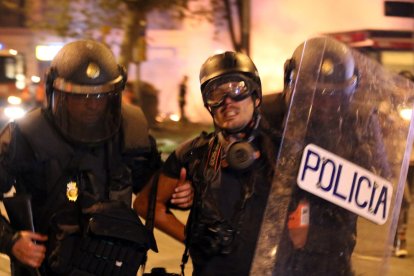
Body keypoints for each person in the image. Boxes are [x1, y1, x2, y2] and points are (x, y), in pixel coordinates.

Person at [0, 39, 190, 276]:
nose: (91, 105)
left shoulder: (131, 131)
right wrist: (11, 241)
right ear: (56, 92)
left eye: (100, 96)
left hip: (111, 266)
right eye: (80, 96)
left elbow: (151, 190)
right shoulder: (25, 135)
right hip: (46, 269)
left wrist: (179, 194)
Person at [135, 51, 281, 275]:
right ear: (208, 105)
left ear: (256, 96)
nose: (228, 102)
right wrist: (192, 238)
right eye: (216, 94)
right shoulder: (193, 153)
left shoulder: (286, 151)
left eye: (236, 89)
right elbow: (145, 204)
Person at [270, 37, 392, 276]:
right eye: (314, 93)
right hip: (273, 249)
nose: (325, 103)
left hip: (332, 249)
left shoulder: (359, 122)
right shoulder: (268, 114)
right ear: (293, 85)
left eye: (335, 94)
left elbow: (378, 181)